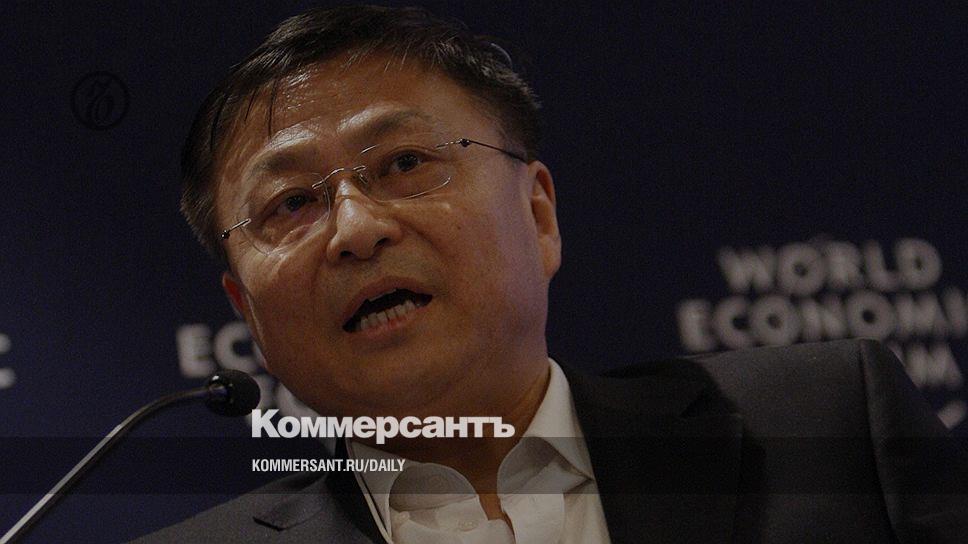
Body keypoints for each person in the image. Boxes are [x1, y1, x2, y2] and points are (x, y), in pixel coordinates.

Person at [133, 5, 967, 543]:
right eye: (289, 205)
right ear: (249, 314)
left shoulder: (828, 429)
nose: (355, 229)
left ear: (538, 215)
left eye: (405, 163)